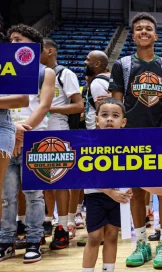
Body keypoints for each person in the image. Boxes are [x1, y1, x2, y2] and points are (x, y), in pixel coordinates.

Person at [108, 12, 162, 269]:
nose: (144, 32)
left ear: (156, 35)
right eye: (139, 29)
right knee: (136, 191)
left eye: (148, 28)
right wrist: (116, 136)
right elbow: (116, 104)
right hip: (131, 136)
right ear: (133, 35)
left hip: (161, 134)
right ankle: (141, 243)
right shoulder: (123, 65)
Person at [0, 24, 55, 263]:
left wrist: (21, 132)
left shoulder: (45, 72)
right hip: (5, 136)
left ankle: (34, 239)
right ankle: (6, 240)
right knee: (6, 195)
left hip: (34, 137)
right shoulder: (5, 68)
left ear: (33, 45)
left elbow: (43, 106)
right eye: (10, 40)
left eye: (18, 39)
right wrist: (12, 131)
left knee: (34, 193)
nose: (12, 44)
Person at [39, 37, 84, 247]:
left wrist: (48, 108)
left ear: (48, 51)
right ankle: (47, 221)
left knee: (60, 181)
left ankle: (63, 227)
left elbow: (78, 106)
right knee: (42, 180)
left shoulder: (65, 73)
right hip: (36, 128)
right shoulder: (32, 74)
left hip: (58, 129)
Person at [82, 97, 133, 272]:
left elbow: (133, 169)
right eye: (104, 115)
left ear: (123, 122)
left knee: (112, 235)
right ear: (96, 119)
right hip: (95, 195)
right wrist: (110, 192)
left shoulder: (128, 144)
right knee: (95, 236)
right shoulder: (89, 142)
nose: (109, 119)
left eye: (115, 115)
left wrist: (128, 187)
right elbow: (87, 174)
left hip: (119, 196)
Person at [84, 50, 110, 130]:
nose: (85, 62)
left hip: (96, 131)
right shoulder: (109, 77)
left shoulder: (97, 82)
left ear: (97, 64)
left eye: (88, 60)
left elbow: (102, 114)